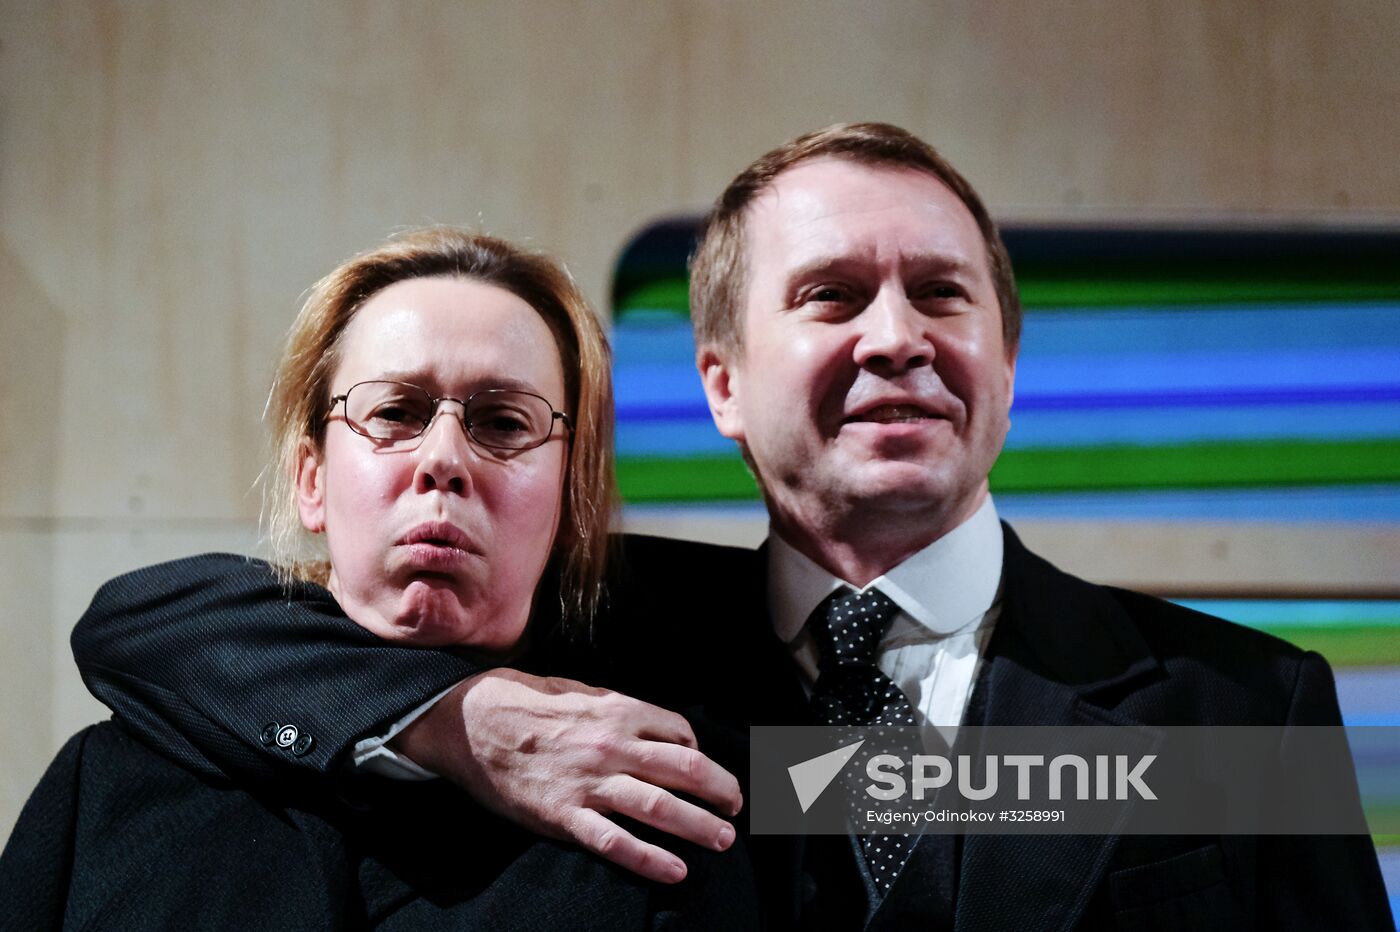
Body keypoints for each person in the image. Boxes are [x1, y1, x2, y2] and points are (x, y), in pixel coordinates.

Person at [56, 125, 1396, 929]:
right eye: (830, 294)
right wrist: (463, 721)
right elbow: (156, 623)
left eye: (943, 293)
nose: (896, 338)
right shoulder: (586, 643)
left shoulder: (1236, 716)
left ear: (1006, 357)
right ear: (721, 386)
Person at [0, 227, 760, 930]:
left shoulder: (674, 763)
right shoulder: (108, 783)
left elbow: (868, 788)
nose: (444, 459)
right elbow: (122, 618)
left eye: (503, 422)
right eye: (395, 411)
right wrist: (453, 716)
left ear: (571, 493)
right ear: (311, 479)